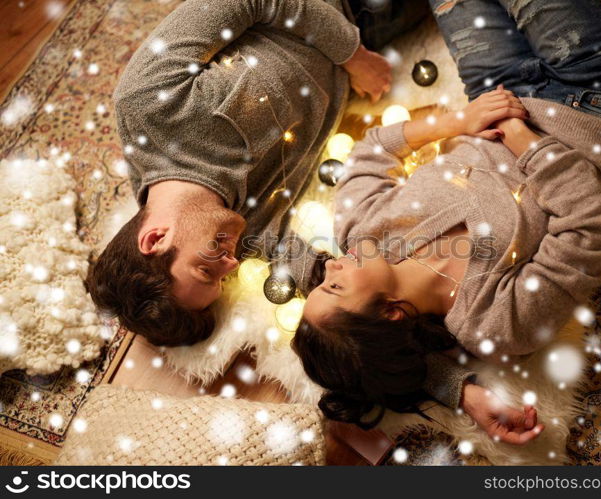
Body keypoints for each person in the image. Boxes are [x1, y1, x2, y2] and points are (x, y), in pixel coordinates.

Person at [293, 0, 601, 431]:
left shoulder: (360, 230)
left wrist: (457, 122)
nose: (330, 262)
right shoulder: (496, 323)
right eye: (334, 284)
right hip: (598, 103)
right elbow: (595, 225)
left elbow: (372, 151)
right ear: (390, 314)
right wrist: (528, 145)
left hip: (496, 86)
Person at [85, 0, 392, 346]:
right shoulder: (237, 229)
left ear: (155, 239)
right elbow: (314, 271)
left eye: (206, 270)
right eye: (221, 280)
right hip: (375, 32)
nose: (230, 265)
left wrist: (353, 56)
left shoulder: (149, 103)